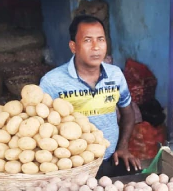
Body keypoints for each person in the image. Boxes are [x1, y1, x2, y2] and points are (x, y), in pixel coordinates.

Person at [40, 15, 141, 177]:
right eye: (88, 40)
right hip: (70, 167)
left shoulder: (115, 75)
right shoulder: (52, 82)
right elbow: (41, 127)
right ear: (73, 46)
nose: (96, 47)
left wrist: (123, 147)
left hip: (109, 159)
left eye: (101, 39)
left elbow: (128, 113)